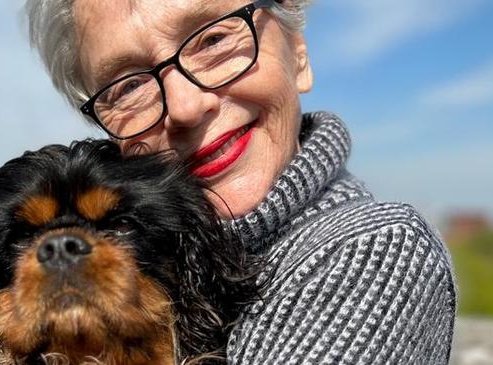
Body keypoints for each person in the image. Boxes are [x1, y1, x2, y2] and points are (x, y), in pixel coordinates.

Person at [25, 0, 456, 363]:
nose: (186, 106)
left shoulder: (375, 253)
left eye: (213, 39)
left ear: (298, 51)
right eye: (128, 85)